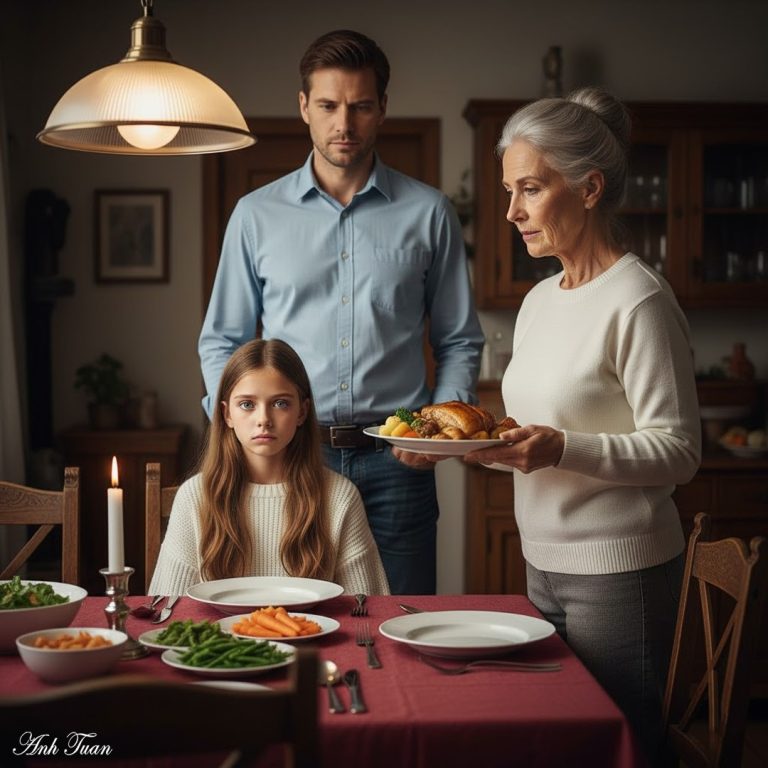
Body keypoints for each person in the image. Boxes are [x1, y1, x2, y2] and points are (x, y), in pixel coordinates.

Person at [198, 29, 483, 594]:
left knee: (403, 624)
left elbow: (458, 340)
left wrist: (436, 434)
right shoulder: (255, 216)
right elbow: (223, 340)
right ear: (304, 107)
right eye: (328, 105)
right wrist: (241, 424)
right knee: (293, 620)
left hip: (398, 464)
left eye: (360, 106)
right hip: (294, 458)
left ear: (382, 110)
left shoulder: (429, 213)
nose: (343, 124)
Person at [462, 88, 701, 759]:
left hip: (620, 573)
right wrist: (487, 447)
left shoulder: (640, 299)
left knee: (623, 748)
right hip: (540, 564)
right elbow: (540, 428)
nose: (511, 212)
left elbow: (680, 451)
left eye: (530, 189)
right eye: (509, 191)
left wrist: (564, 447)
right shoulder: (539, 300)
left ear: (589, 188)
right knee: (561, 747)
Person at [149, 338, 389, 597]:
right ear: (226, 413)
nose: (263, 419)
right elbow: (167, 610)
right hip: (220, 637)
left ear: (302, 412)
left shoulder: (339, 496)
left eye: (280, 403)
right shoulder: (195, 496)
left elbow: (365, 610)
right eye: (247, 404)